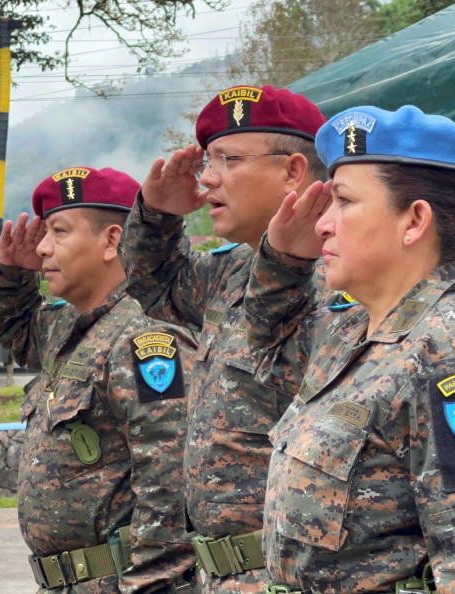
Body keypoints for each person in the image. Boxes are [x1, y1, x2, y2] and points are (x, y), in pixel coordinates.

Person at [245, 105, 455, 593]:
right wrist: (279, 261)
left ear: (414, 221)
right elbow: (257, 350)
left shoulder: (452, 353)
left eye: (343, 202)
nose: (323, 223)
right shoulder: (351, 332)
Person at [120, 85, 331, 593]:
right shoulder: (232, 269)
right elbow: (154, 286)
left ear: (293, 172)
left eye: (228, 160)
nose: (208, 177)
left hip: (288, 574)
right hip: (221, 575)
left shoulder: (336, 281)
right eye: (206, 162)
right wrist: (157, 215)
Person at [0, 166, 198, 593]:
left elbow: (170, 481)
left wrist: (152, 584)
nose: (43, 248)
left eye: (59, 232)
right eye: (44, 233)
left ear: (112, 240)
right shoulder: (68, 326)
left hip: (120, 582)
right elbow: (18, 330)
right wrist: (10, 274)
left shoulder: (145, 335)